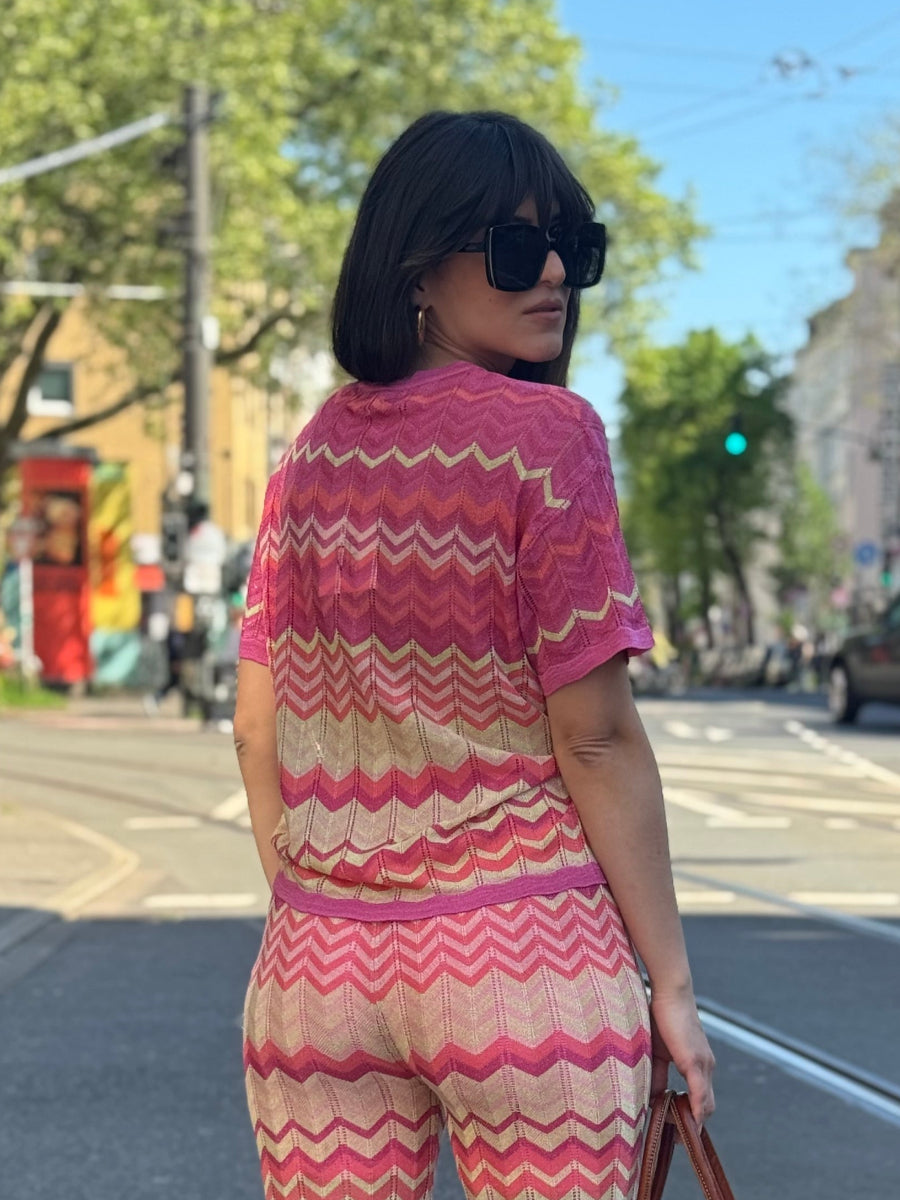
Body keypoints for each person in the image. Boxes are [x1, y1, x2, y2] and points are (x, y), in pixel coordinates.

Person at [234, 110, 715, 1200]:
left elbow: (258, 728)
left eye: (572, 246)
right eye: (514, 247)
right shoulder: (549, 438)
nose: (553, 273)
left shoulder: (308, 457)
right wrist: (672, 987)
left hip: (316, 976)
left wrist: (323, 913)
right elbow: (595, 739)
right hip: (526, 962)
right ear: (416, 269)